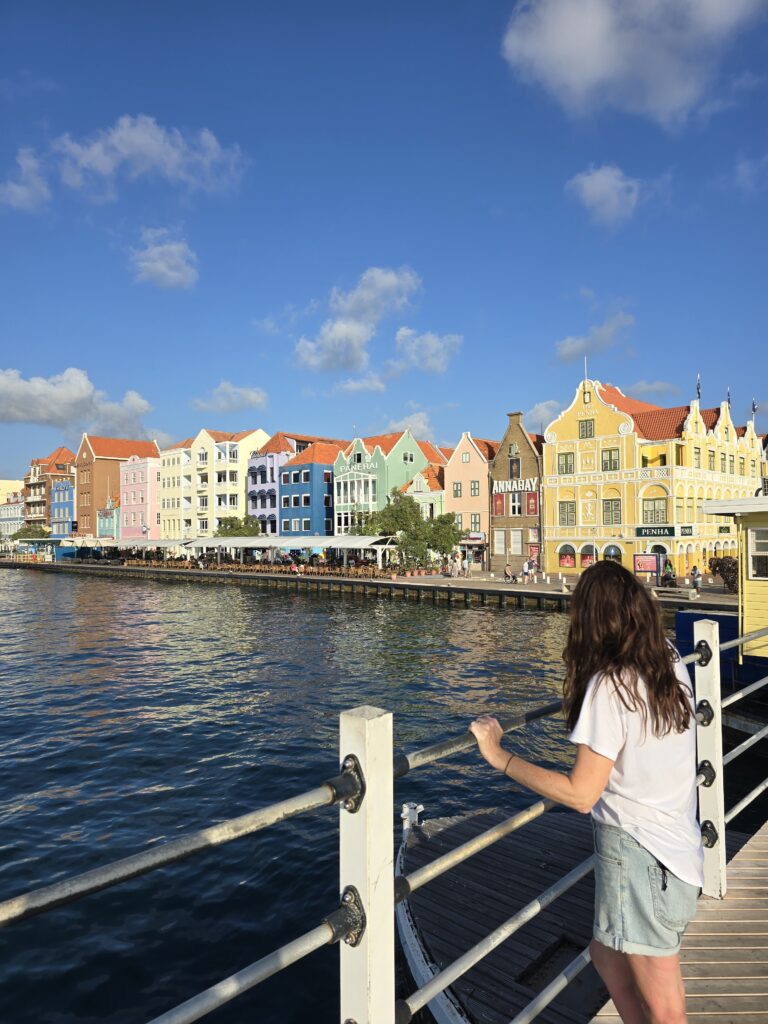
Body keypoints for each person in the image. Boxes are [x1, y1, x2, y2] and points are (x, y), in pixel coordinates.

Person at [469, 560, 702, 1024]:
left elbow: (581, 794)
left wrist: (501, 757)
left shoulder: (610, 685)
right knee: (606, 953)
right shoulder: (669, 661)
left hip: (640, 855)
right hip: (676, 848)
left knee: (666, 1009)